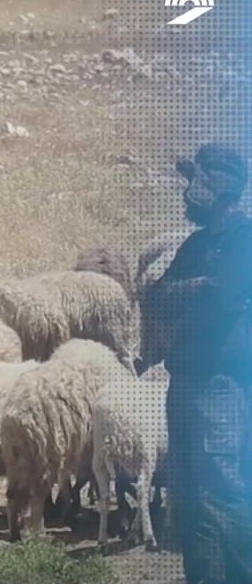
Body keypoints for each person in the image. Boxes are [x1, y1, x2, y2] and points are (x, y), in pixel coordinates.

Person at [143, 142, 252, 583]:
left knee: (223, 490)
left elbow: (221, 299)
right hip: (185, 385)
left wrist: (193, 291)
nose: (187, 191)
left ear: (217, 187)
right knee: (188, 495)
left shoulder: (245, 240)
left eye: (195, 182)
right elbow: (155, 299)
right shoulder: (195, 244)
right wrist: (195, 286)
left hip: (221, 388)